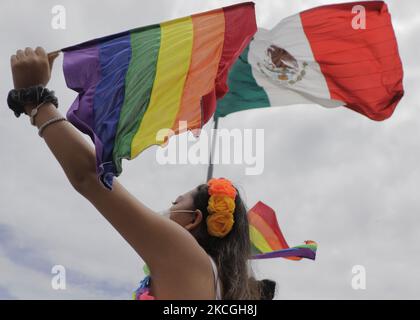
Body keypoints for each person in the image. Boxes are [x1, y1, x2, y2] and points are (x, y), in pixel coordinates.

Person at [8, 47, 276, 300]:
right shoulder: (217, 282)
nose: (169, 207)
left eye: (177, 202)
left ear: (194, 219)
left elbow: (90, 178)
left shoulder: (185, 253)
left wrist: (37, 101)